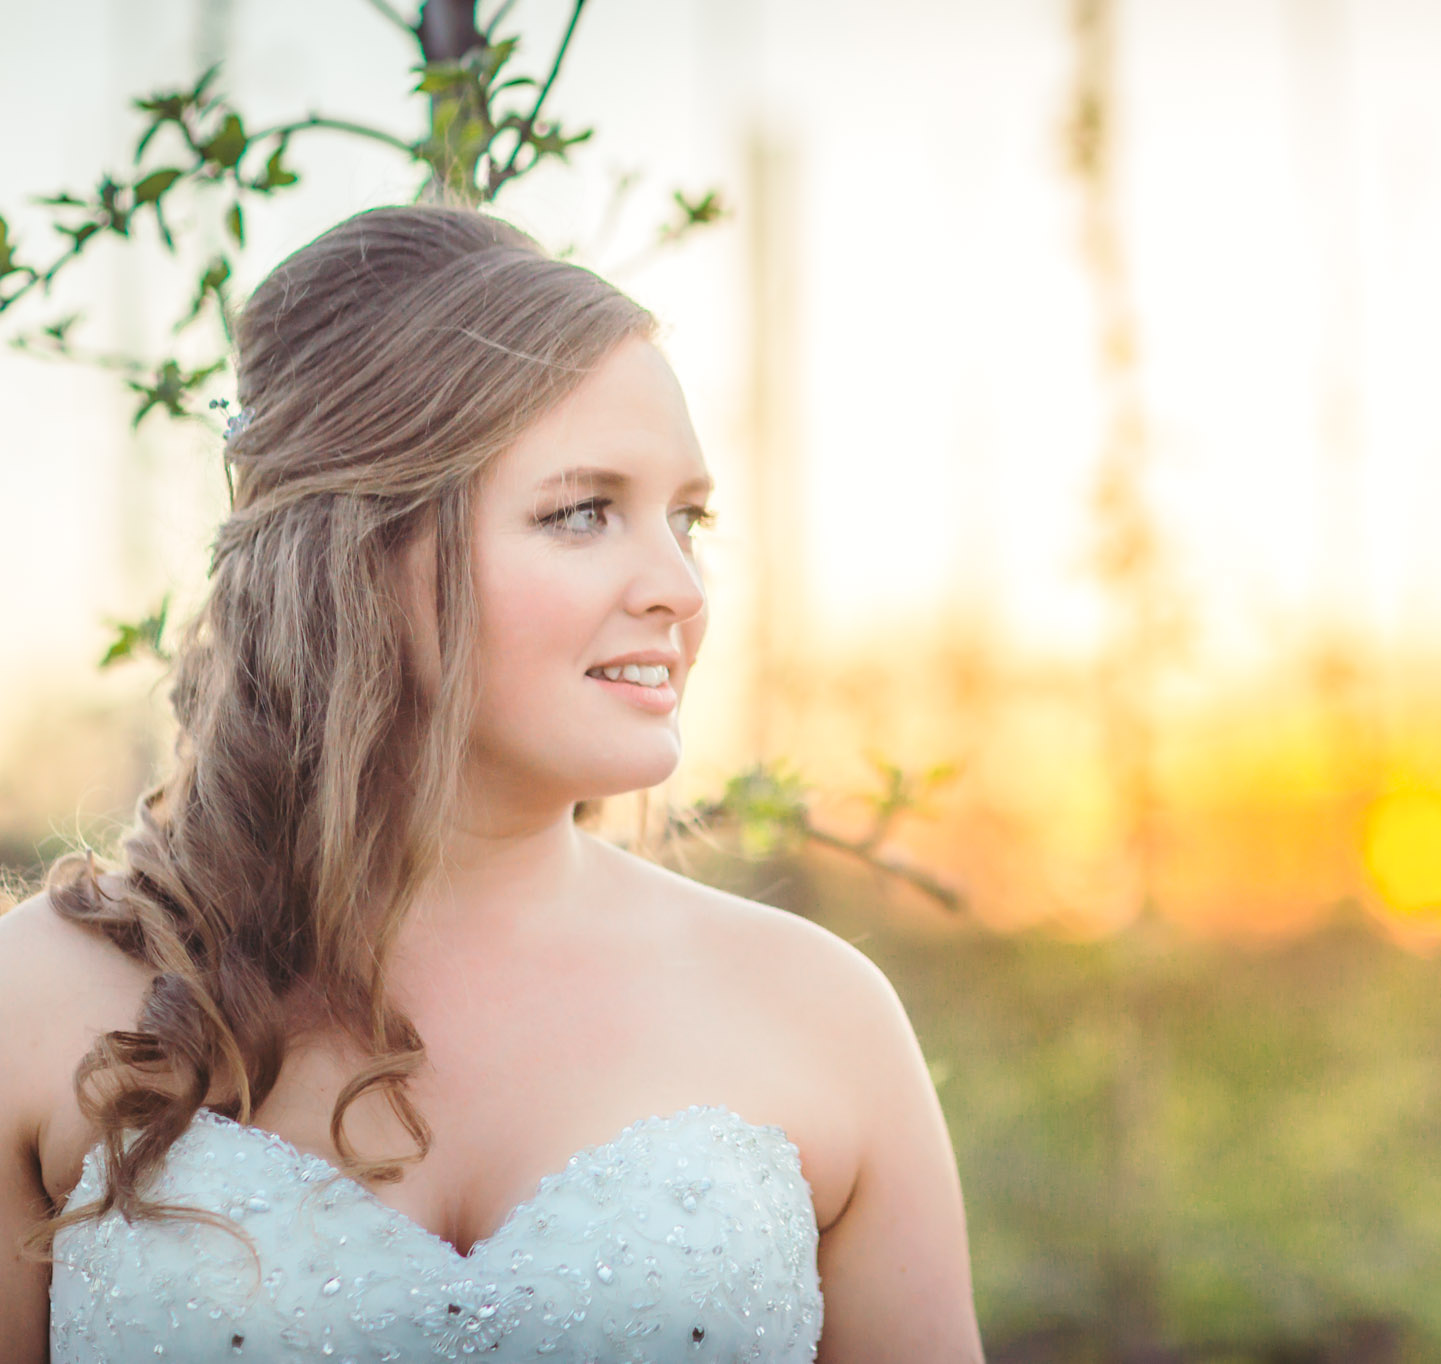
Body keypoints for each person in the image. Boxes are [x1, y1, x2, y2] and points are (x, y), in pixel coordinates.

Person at [0, 206, 985, 1362]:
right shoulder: (41, 998)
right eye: (582, 512)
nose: (678, 585)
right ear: (359, 549)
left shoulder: (824, 1012)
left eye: (689, 518)